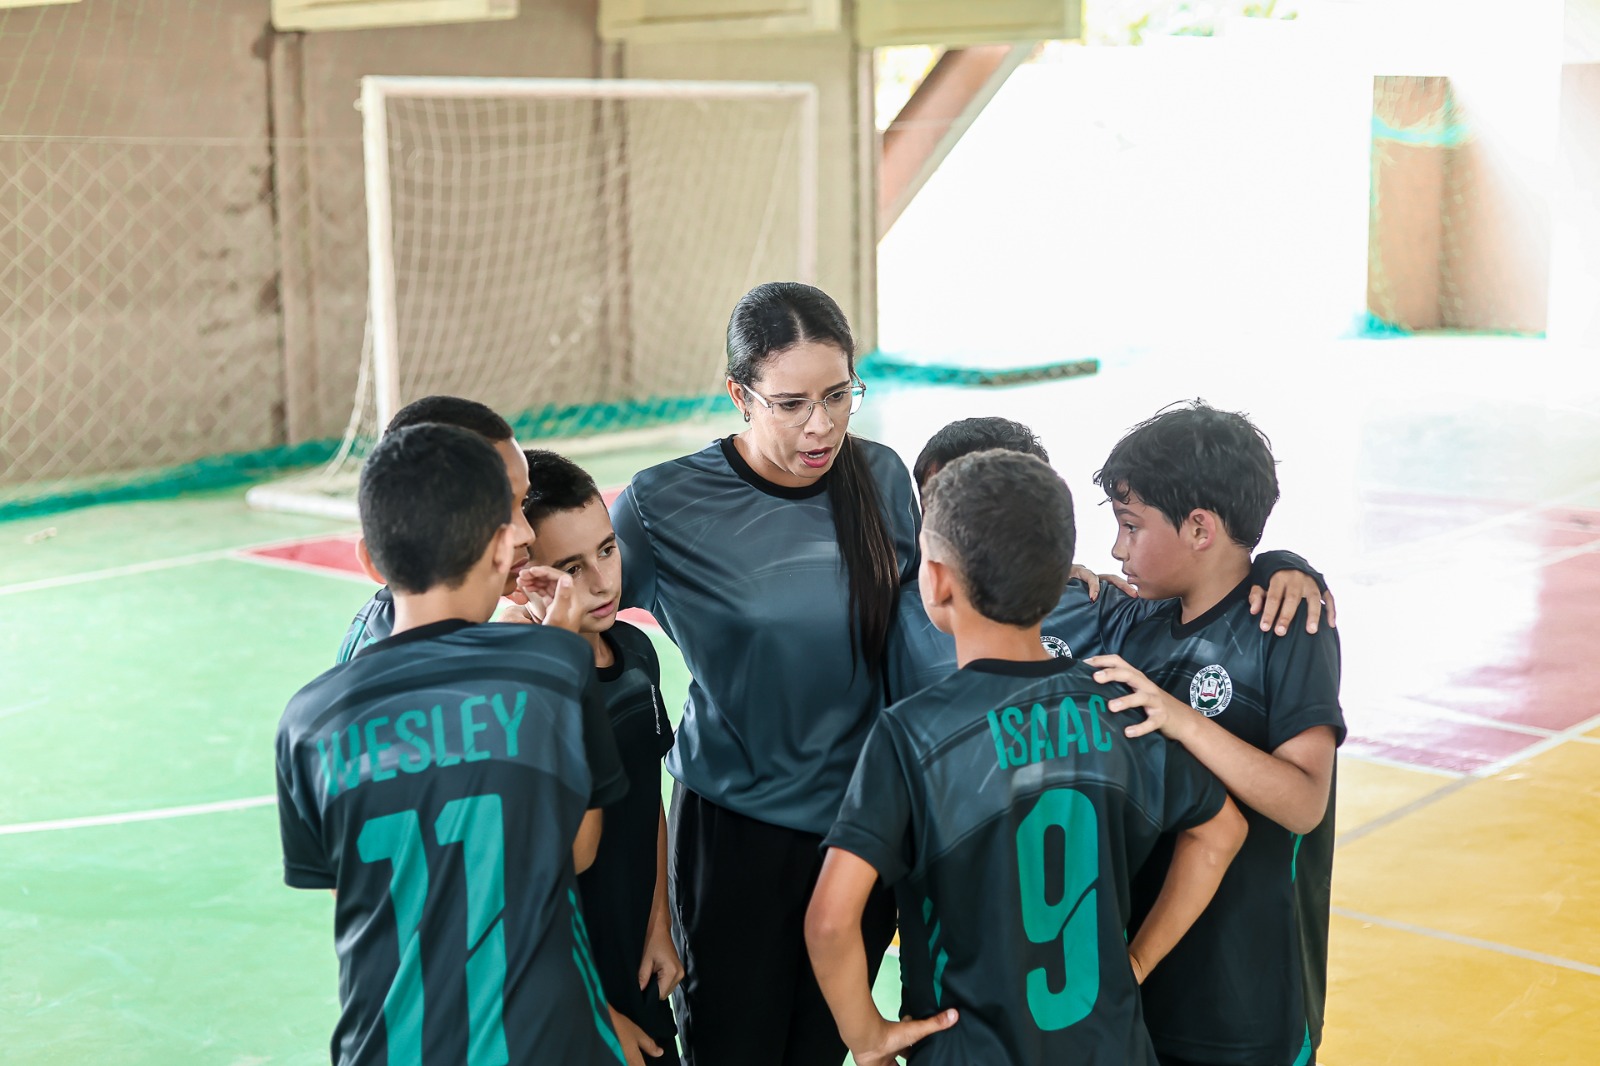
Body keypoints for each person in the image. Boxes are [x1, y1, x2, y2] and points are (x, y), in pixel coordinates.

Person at [806, 449, 1247, 1065]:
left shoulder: (914, 734)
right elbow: (1221, 831)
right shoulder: (1119, 706)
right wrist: (1138, 960)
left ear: (937, 580)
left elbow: (830, 921)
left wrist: (867, 1037)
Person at [598, 281, 920, 1066]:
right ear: (740, 395)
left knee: (821, 1049)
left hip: (861, 831)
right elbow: (579, 609)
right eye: (791, 404)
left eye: (839, 395)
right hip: (735, 836)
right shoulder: (663, 505)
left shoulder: (882, 479)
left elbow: (937, 619)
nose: (822, 425)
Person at [275, 423, 630, 1065]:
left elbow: (351, 898)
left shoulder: (307, 718)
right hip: (540, 1042)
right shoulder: (553, 670)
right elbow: (579, 850)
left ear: (370, 561)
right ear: (502, 551)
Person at [1084, 401, 1345, 1066]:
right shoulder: (1133, 621)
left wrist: (1182, 719)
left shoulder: (1285, 626)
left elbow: (1303, 802)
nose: (1117, 549)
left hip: (1249, 1006)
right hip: (1144, 984)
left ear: (1200, 528)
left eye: (1131, 526)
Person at [885, 416, 1335, 702]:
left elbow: (1208, 586)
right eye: (936, 507)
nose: (954, 527)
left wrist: (1281, 565)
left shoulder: (1091, 603)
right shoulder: (895, 616)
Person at [521, 449, 684, 1065]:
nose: (602, 581)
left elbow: (647, 797)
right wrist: (591, 1009)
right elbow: (520, 881)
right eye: (571, 568)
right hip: (562, 985)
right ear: (525, 576)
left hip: (635, 961)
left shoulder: (636, 650)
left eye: (607, 551)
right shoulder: (518, 690)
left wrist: (659, 924)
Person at [336, 396, 536, 663]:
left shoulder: (396, 618)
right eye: (498, 509)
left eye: (524, 502)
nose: (527, 533)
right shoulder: (435, 663)